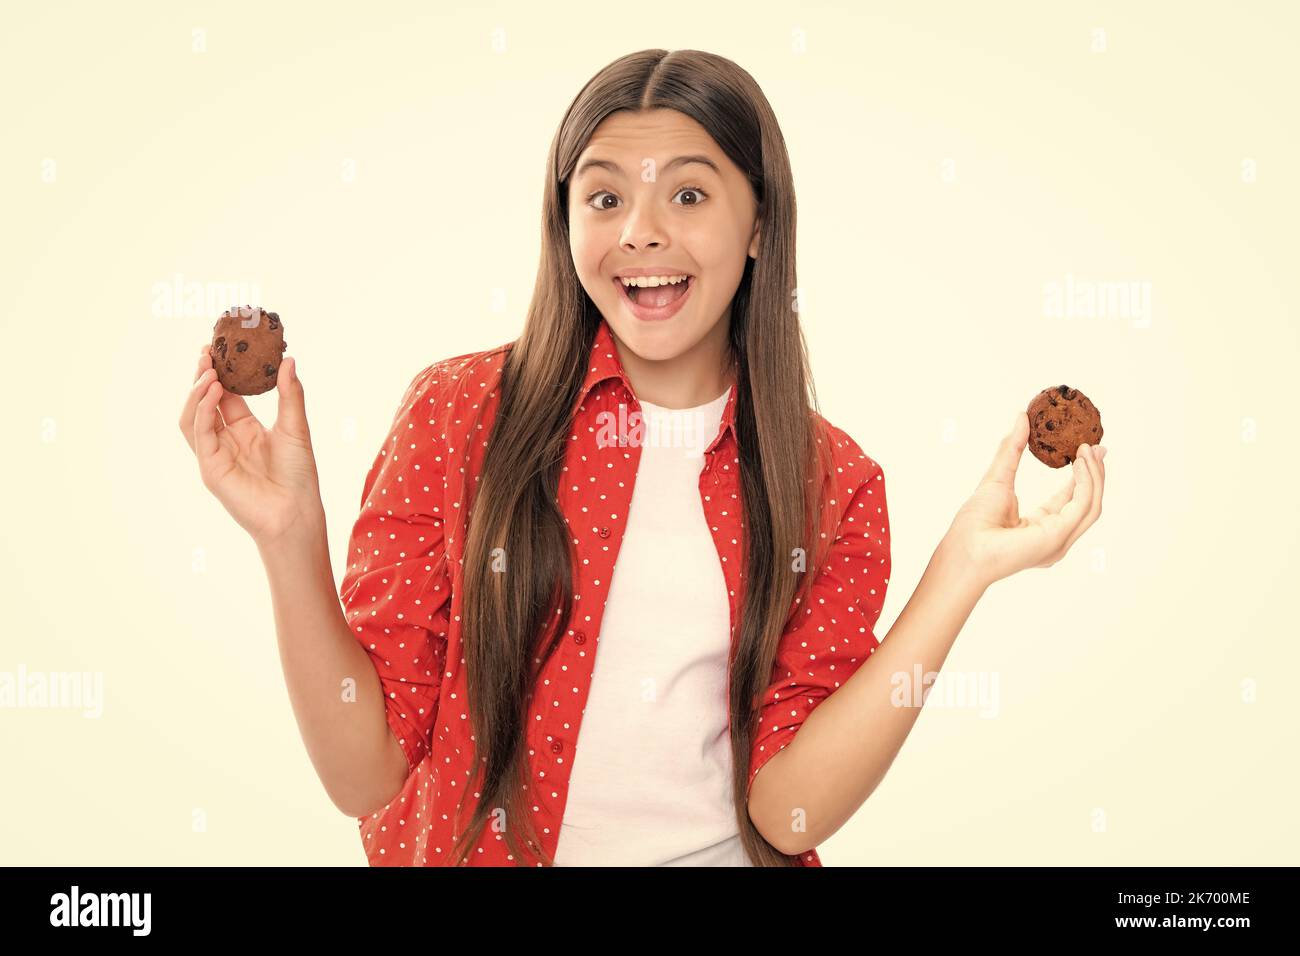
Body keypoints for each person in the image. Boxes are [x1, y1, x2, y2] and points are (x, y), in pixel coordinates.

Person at [178, 49, 1107, 867]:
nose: (641, 233)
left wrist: (963, 571)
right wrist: (289, 539)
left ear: (757, 228)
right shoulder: (458, 414)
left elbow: (789, 816)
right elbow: (361, 774)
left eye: (690, 195)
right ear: (566, 219)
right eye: (606, 196)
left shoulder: (833, 483)